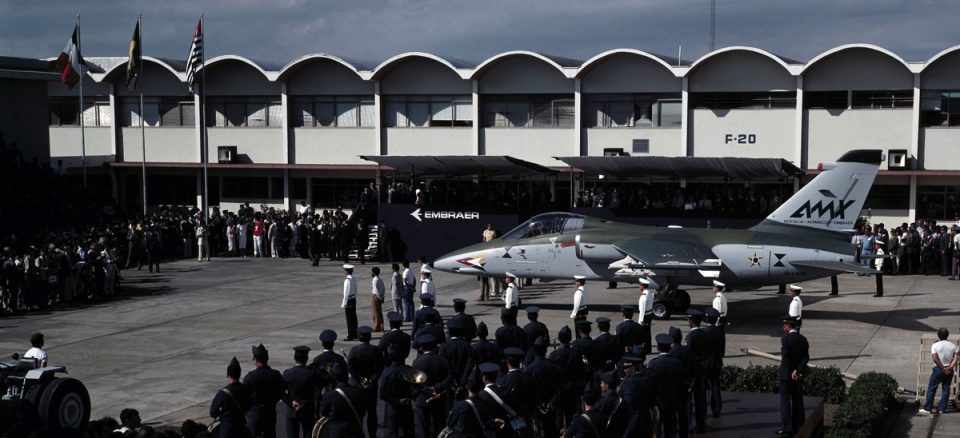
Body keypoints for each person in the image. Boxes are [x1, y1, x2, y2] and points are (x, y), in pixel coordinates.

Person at [413, 333, 451, 438]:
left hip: (423, 398)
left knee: (423, 427)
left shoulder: (417, 362)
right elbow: (448, 378)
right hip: (439, 397)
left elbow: (416, 383)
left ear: (422, 347)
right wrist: (436, 388)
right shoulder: (442, 360)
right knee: (439, 425)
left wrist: (427, 390)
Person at [242, 344, 284, 438]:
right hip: (270, 411)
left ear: (256, 360)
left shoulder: (250, 377)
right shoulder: (275, 375)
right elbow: (281, 393)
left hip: (254, 413)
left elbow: (244, 397)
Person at [349, 326, 384, 436]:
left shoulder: (354, 350)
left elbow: (351, 368)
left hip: (358, 385)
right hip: (371, 385)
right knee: (372, 412)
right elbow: (380, 367)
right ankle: (372, 434)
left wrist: (360, 380)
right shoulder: (375, 350)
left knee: (358, 412)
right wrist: (371, 380)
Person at [282, 346, 323, 438]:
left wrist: (291, 402)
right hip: (308, 409)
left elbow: (281, 392)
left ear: (295, 358)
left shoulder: (287, 373)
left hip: (291, 409)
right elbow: (317, 393)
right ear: (306, 358)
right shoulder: (312, 373)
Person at [647, 333, 684, 438]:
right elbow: (681, 382)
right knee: (671, 425)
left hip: (658, 400)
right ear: (670, 347)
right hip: (673, 399)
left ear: (658, 347)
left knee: (657, 425)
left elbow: (650, 384)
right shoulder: (677, 363)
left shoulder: (653, 364)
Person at [778, 316, 809, 436]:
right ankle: (799, 424)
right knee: (798, 400)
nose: (783, 327)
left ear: (788, 326)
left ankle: (787, 428)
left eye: (784, 325)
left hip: (786, 375)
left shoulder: (785, 339)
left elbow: (786, 358)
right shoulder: (803, 339)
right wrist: (797, 371)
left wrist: (790, 371)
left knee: (785, 402)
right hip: (797, 375)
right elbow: (805, 358)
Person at [919, 328, 958, 416]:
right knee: (946, 388)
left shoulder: (935, 345)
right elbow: (956, 358)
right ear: (947, 335)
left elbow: (935, 358)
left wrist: (943, 369)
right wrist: (950, 367)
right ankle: (942, 409)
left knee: (932, 388)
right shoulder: (953, 346)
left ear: (938, 335)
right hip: (949, 369)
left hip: (938, 369)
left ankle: (928, 408)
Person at [210, 357, 251, 438]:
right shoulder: (247, 389)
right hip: (242, 428)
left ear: (228, 375)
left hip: (227, 429)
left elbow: (212, 412)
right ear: (239, 374)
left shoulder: (223, 393)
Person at [685, 309, 708, 433]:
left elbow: (688, 355)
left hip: (692, 371)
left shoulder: (691, 336)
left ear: (691, 321)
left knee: (688, 400)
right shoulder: (704, 334)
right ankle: (701, 424)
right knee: (700, 399)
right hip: (702, 369)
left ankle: (689, 424)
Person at [636, 278, 655, 355]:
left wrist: (640, 321)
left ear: (643, 286)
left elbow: (642, 310)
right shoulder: (649, 293)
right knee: (648, 333)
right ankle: (648, 348)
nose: (639, 287)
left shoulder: (643, 296)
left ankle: (645, 349)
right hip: (649, 314)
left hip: (645, 316)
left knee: (643, 334)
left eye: (640, 285)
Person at [342, 264, 359, 341]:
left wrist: (344, 303)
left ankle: (350, 335)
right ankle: (355, 333)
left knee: (349, 319)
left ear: (346, 271)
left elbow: (346, 293)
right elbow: (356, 289)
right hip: (353, 299)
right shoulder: (354, 278)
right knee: (354, 317)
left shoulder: (347, 280)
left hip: (349, 300)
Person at [372, 267, 386, 332]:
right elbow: (383, 288)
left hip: (376, 297)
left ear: (374, 272)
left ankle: (377, 327)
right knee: (379, 312)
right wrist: (382, 297)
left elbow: (376, 290)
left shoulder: (375, 280)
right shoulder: (380, 279)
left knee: (376, 312)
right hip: (380, 296)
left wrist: (379, 297)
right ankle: (381, 326)